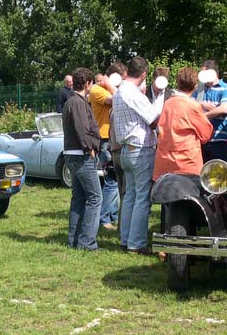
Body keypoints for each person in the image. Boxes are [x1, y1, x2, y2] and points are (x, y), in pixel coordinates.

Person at [112, 56, 160, 255]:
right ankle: (137, 243)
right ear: (144, 74)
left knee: (130, 196)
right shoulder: (134, 94)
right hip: (140, 149)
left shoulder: (119, 92)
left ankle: (126, 239)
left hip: (125, 149)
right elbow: (154, 120)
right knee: (142, 198)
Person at [62, 67, 102, 250]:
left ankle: (75, 240)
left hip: (72, 154)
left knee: (79, 198)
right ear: (87, 83)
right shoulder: (77, 103)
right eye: (91, 83)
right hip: (81, 155)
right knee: (95, 198)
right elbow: (83, 130)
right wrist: (90, 149)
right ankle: (87, 242)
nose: (92, 87)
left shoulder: (72, 101)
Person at [153, 67, 214, 181]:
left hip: (165, 164)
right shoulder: (193, 106)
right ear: (195, 86)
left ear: (177, 83)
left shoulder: (167, 104)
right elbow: (206, 134)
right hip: (187, 164)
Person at [89, 63, 125, 229]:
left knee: (115, 179)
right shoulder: (97, 90)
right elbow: (117, 99)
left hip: (113, 138)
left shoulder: (106, 88)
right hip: (104, 139)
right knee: (111, 179)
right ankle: (104, 218)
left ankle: (113, 215)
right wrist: (112, 86)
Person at [194, 60, 227, 163]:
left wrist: (202, 116)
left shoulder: (226, 88)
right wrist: (201, 104)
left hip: (219, 141)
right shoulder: (199, 91)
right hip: (201, 141)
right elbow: (189, 106)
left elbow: (223, 109)